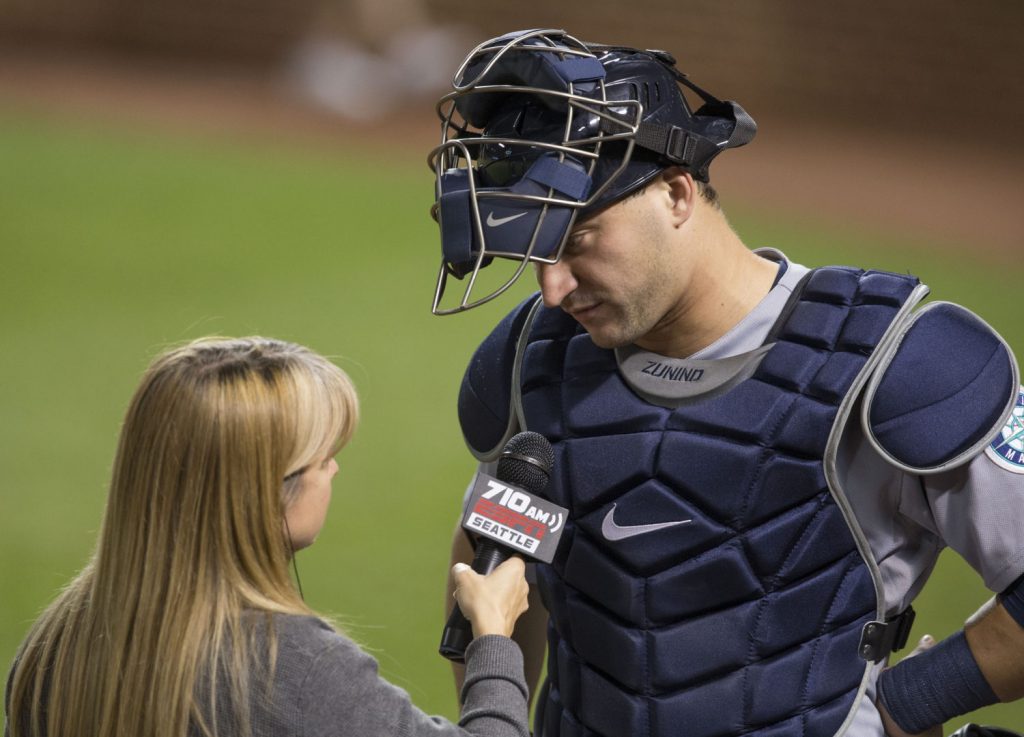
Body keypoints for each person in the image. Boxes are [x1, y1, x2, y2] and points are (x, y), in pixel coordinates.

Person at [426, 29, 1024, 737]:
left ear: (676, 193)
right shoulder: (535, 363)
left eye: (576, 241)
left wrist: (913, 699)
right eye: (535, 252)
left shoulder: (896, 361)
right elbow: (494, 568)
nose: (552, 288)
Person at [4, 336, 532, 737]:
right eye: (323, 457)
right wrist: (492, 638)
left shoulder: (55, 643)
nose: (334, 472)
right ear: (262, 494)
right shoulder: (291, 667)